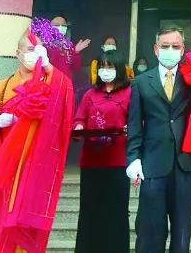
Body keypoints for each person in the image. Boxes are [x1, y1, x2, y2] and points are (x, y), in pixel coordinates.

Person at [0, 21, 76, 253]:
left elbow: (65, 97)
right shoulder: (1, 86)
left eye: (38, 50)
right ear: (17, 54)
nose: (33, 55)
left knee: (25, 225)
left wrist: (48, 67)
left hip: (33, 165)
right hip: (2, 166)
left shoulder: (51, 82)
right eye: (28, 50)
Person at [126, 25, 191, 253]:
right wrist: (133, 158)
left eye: (175, 46)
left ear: (183, 49)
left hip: (185, 161)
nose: (170, 50)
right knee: (150, 230)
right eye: (165, 46)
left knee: (181, 232)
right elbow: (134, 125)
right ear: (156, 49)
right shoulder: (140, 82)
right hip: (153, 162)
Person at [73, 53, 132, 253]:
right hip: (91, 161)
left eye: (110, 67)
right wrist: (79, 127)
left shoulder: (129, 93)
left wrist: (128, 129)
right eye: (102, 67)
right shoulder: (90, 95)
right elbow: (79, 118)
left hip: (117, 161)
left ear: (119, 69)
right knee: (90, 210)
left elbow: (137, 122)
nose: (105, 71)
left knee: (116, 211)